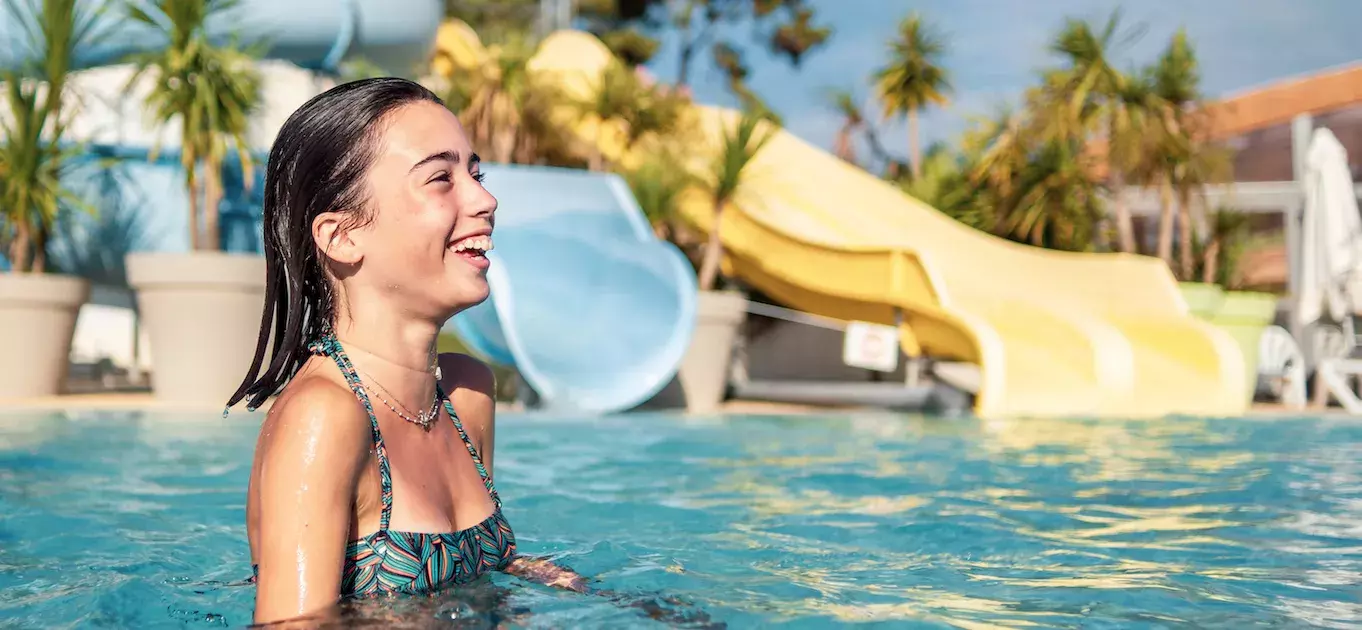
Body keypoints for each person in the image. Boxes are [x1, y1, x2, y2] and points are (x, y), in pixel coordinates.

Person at [229, 77, 583, 626]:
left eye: (476, 173)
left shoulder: (467, 395)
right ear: (342, 236)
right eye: (441, 178)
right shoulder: (323, 420)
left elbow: (483, 574)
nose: (485, 199)